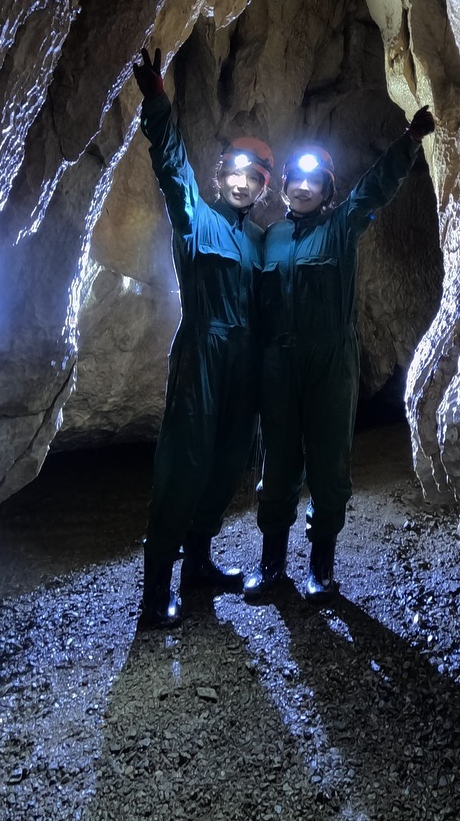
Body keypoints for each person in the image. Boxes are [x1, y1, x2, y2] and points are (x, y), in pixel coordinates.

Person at [244, 105, 436, 604]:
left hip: (331, 362)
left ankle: (322, 567)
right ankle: (271, 566)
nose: (303, 189)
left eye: (314, 183)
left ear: (326, 190)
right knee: (279, 463)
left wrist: (408, 141)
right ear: (285, 187)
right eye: (296, 181)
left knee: (330, 464)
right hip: (279, 365)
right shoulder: (270, 238)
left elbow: (374, 188)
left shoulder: (342, 226)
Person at [132, 46, 274, 629]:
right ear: (222, 178)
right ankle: (157, 586)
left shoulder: (262, 242)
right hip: (202, 355)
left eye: (254, 178)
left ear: (264, 187)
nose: (242, 184)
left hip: (244, 364)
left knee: (223, 465)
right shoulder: (199, 218)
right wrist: (158, 102)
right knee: (184, 463)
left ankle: (199, 564)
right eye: (235, 174)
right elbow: (172, 169)